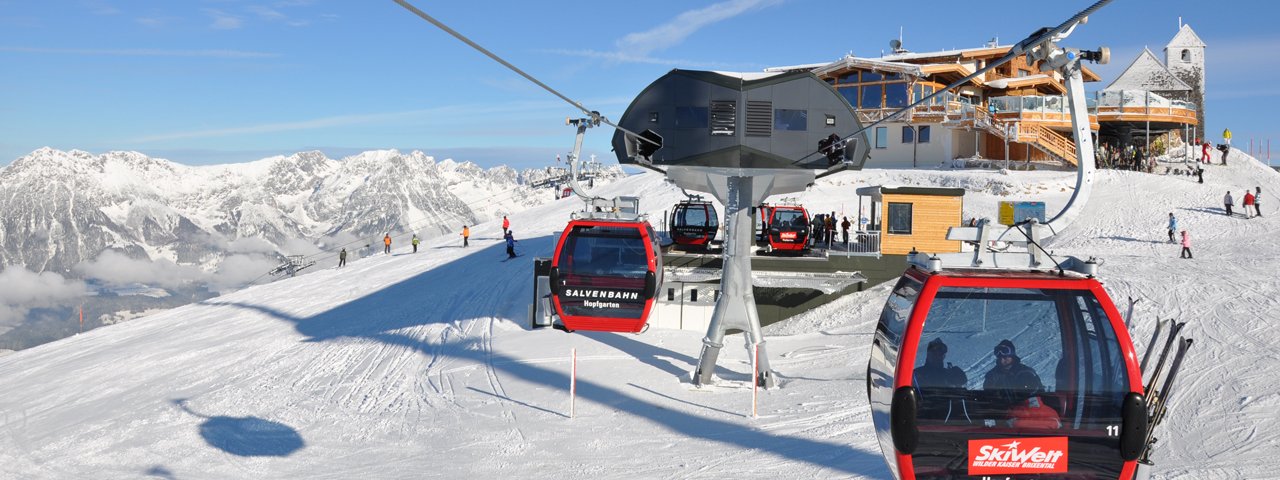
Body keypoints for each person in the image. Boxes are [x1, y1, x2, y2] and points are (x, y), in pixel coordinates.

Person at [914, 338, 970, 422]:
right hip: (923, 422)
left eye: (940, 353)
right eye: (934, 353)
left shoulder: (948, 374)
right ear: (928, 354)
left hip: (949, 424)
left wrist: (956, 373)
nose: (937, 356)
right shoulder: (917, 374)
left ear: (944, 356)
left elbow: (963, 382)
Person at [983, 340, 1045, 413]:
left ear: (1012, 356)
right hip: (1002, 415)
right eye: (999, 358)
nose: (1002, 360)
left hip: (1026, 414)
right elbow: (988, 397)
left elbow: (1038, 396)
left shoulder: (1026, 373)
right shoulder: (992, 375)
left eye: (1005, 357)